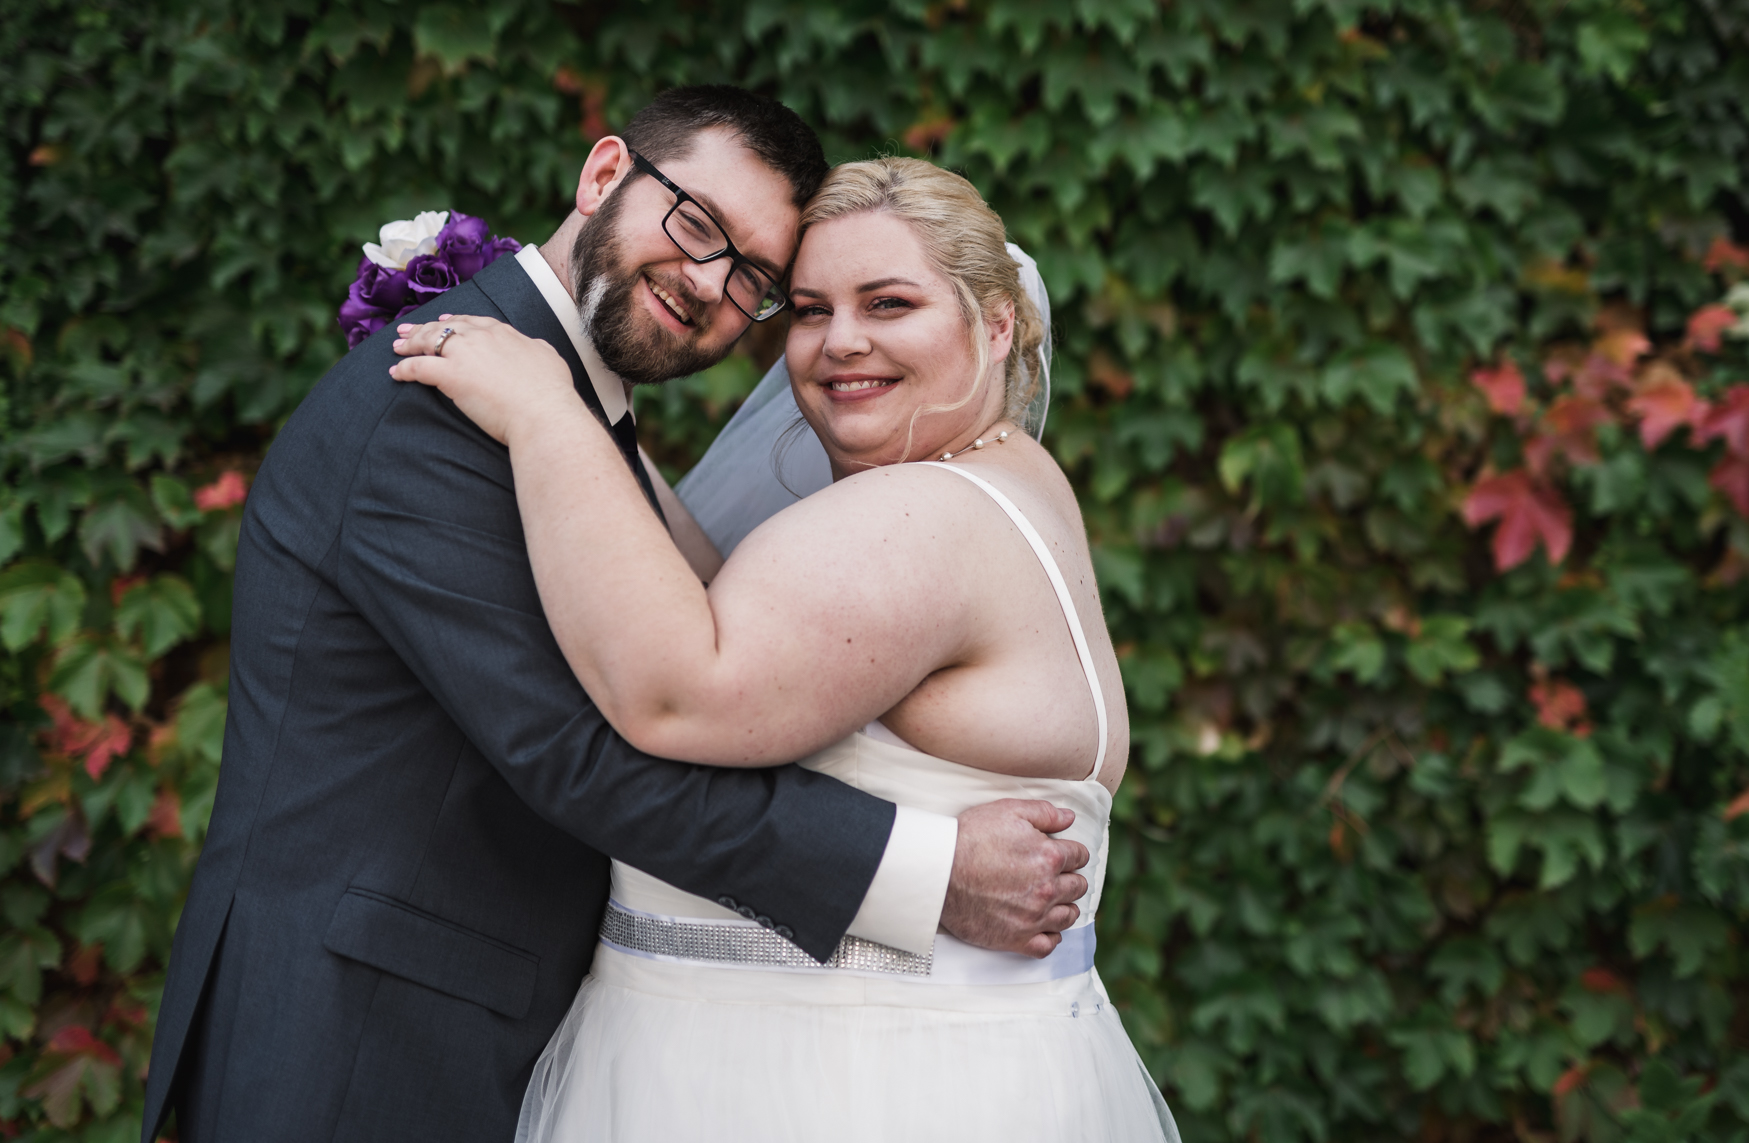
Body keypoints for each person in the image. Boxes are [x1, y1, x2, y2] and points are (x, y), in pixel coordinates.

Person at [141, 90, 1092, 1143]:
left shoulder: (566, 411)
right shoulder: (437, 405)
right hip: (360, 1036)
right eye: (695, 225)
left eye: (754, 280)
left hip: (485, 1026)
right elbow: (578, 752)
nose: (709, 283)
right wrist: (926, 871)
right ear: (603, 177)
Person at [388, 156, 1180, 1140]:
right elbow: (721, 601)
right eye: (809, 309)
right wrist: (600, 425)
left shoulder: (919, 516)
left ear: (997, 322)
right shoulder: (997, 475)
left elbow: (678, 694)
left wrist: (549, 415)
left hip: (838, 1084)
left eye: (888, 303)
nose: (841, 341)